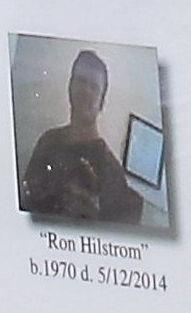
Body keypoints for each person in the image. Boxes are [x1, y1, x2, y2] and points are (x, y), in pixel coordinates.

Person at [16, 49, 138, 225]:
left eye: (94, 86)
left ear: (102, 102)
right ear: (69, 88)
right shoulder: (47, 141)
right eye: (81, 80)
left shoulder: (113, 174)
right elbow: (24, 203)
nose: (86, 91)